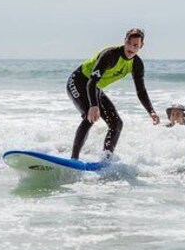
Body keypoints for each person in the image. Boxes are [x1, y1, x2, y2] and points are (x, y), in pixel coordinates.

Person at [66, 28, 160, 160]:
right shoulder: (110, 55)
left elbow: (141, 91)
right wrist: (94, 106)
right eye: (129, 43)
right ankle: (73, 159)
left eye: (136, 46)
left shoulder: (136, 64)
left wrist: (151, 111)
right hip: (79, 81)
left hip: (95, 88)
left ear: (141, 46)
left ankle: (105, 161)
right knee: (89, 116)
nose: (131, 48)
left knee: (116, 123)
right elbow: (92, 82)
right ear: (125, 40)